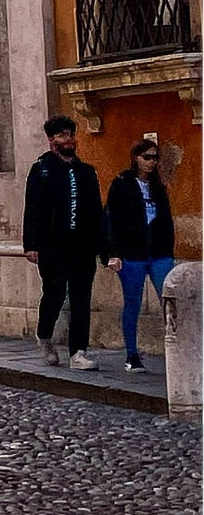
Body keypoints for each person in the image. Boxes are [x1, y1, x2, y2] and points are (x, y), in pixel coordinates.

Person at [23, 114, 119, 371]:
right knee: (54, 294)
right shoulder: (42, 170)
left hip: (82, 246)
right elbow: (31, 208)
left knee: (81, 299)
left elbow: (97, 213)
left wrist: (106, 250)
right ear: (52, 140)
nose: (69, 140)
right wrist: (31, 244)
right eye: (63, 135)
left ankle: (78, 352)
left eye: (71, 135)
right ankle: (44, 335)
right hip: (52, 246)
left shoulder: (86, 172)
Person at [107, 139, 176, 372]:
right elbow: (111, 220)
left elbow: (166, 220)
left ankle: (178, 350)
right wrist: (113, 253)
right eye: (147, 157)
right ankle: (131, 354)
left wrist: (168, 247)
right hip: (132, 254)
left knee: (170, 302)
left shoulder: (158, 186)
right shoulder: (122, 183)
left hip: (159, 253)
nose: (152, 162)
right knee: (132, 303)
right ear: (136, 157)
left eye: (155, 157)